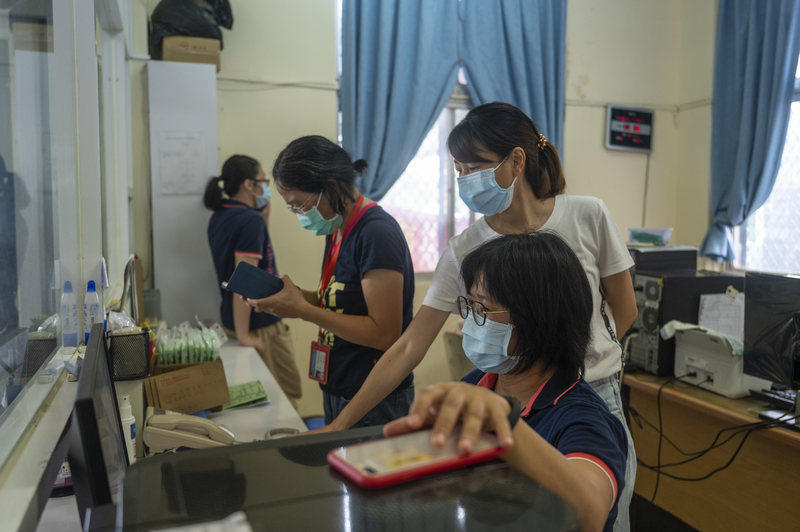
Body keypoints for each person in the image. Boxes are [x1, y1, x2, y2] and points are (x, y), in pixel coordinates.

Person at [310, 102, 638, 530]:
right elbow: (409, 345)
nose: (464, 179)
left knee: (595, 513)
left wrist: (567, 364)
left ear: (516, 160)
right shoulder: (467, 249)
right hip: (513, 392)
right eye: (458, 169)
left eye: (474, 167)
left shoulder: (587, 215)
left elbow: (623, 310)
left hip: (587, 391)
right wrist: (341, 424)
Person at [384, 232, 627, 532]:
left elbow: (589, 514)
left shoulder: (583, 419)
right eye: (469, 305)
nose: (469, 321)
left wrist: (503, 422)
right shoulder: (476, 383)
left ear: (538, 319)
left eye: (483, 308)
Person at [246, 135, 415, 426]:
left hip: (375, 395)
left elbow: (385, 333)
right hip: (340, 385)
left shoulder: (376, 233)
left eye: (298, 204)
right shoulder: (337, 227)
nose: (298, 214)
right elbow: (338, 301)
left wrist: (303, 311)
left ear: (331, 187)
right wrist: (288, 296)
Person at [204, 154, 302, 408]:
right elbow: (243, 281)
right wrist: (246, 335)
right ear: (249, 185)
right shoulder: (249, 221)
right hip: (259, 323)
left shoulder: (221, 216)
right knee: (284, 400)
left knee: (254, 402)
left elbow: (249, 259)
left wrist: (263, 219)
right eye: (263, 180)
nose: (266, 187)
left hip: (233, 320)